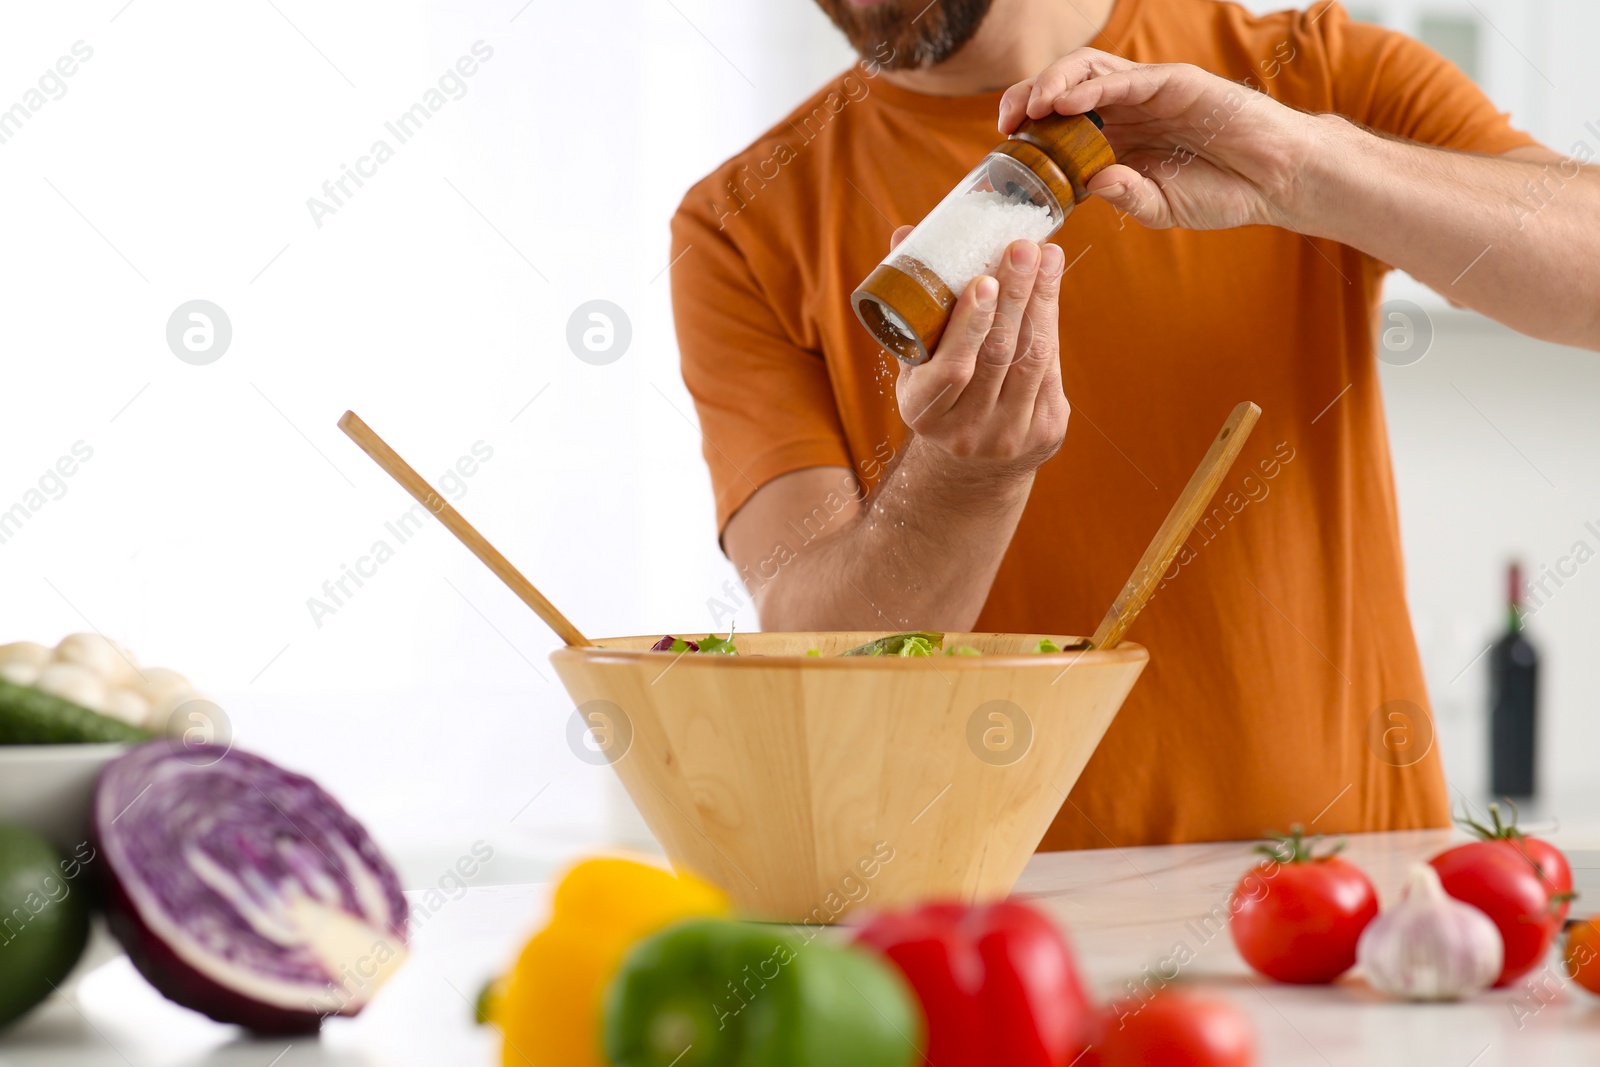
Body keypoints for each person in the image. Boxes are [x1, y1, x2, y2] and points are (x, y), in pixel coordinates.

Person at [668, 0, 1600, 850]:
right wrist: (963, 480)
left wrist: (1301, 164)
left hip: (1336, 901)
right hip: (979, 918)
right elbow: (817, 651)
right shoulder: (742, 222)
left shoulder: (1307, 72)